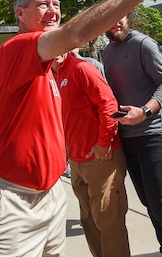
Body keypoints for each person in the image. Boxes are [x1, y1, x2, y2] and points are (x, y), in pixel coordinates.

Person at [0, 0, 162, 257]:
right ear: (20, 14)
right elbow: (75, 33)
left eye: (56, 4)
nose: (52, 11)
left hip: (50, 191)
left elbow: (103, 106)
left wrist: (100, 144)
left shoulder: (56, 69)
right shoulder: (16, 48)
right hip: (14, 196)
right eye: (42, 4)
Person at [103, 15, 162, 257]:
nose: (116, 22)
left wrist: (145, 111)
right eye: (110, 19)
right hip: (127, 138)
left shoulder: (143, 44)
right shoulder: (107, 53)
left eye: (120, 17)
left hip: (152, 133)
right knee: (148, 203)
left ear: (127, 17)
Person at [52, 51, 130, 257]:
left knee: (109, 224)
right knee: (89, 221)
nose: (55, 51)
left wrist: (103, 144)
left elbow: (109, 106)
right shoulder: (52, 76)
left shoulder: (81, 68)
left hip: (101, 159)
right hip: (77, 162)